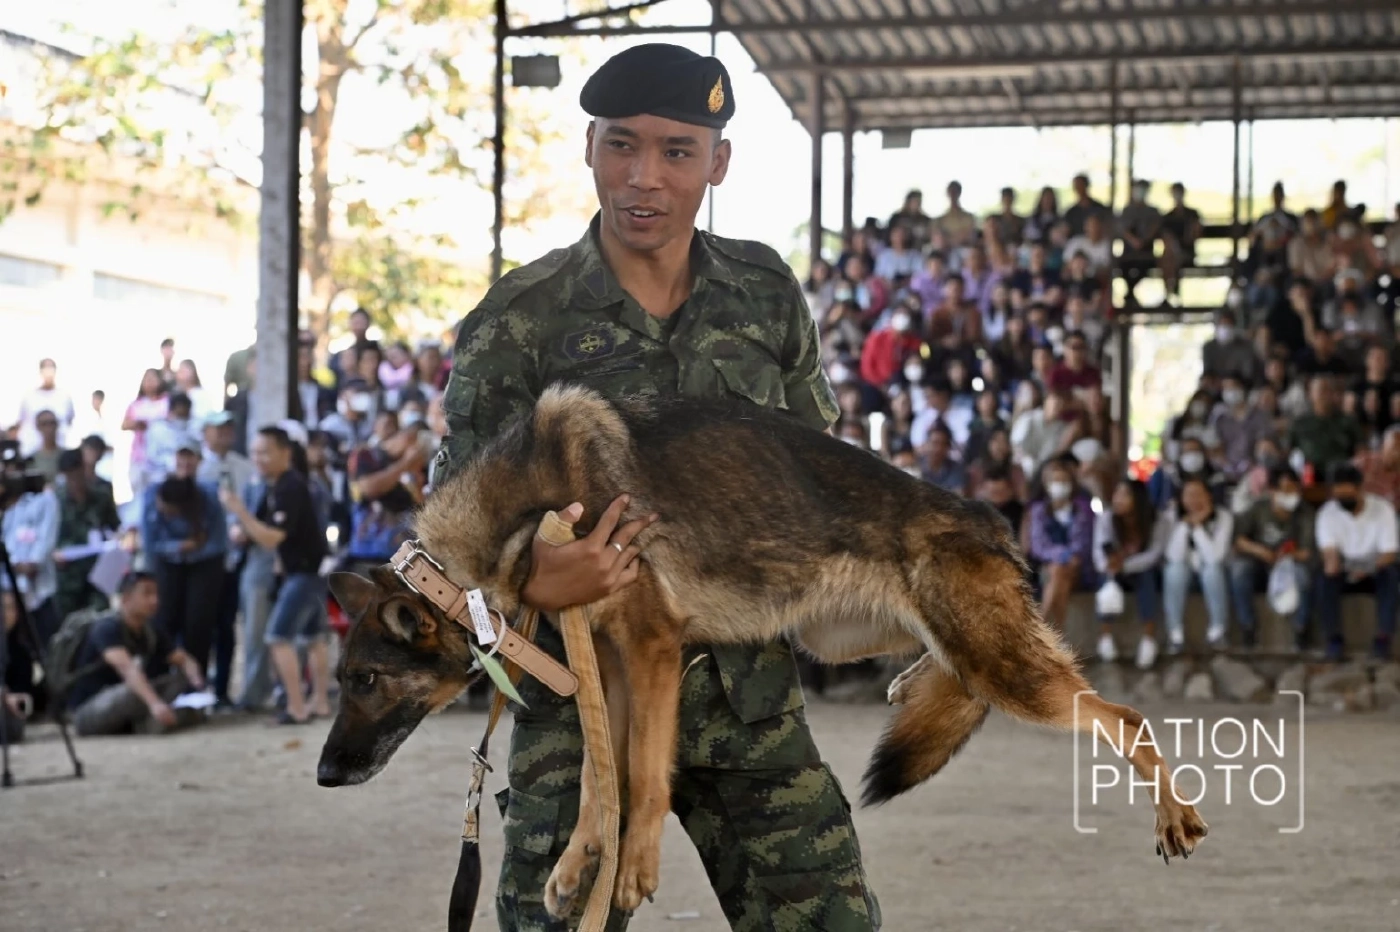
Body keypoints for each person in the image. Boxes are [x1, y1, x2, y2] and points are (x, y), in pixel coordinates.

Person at [431, 43, 880, 931]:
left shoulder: (765, 294)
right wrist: (527, 578)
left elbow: (816, 476)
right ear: (589, 147)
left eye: (677, 151)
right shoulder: (521, 319)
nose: (645, 177)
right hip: (580, 721)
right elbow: (439, 552)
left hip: (749, 705)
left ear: (718, 162)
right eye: (622, 145)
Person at [220, 426, 332, 725]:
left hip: (305, 574)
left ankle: (296, 707)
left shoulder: (288, 486)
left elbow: (271, 538)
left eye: (265, 452)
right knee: (313, 637)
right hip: (310, 570)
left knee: (277, 637)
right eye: (255, 452)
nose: (258, 458)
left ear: (285, 453)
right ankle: (318, 702)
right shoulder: (287, 484)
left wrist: (239, 511)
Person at [65, 571, 207, 736]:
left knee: (177, 680)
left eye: (155, 594)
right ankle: (153, 721)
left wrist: (197, 681)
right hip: (89, 710)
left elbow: (183, 659)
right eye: (146, 594)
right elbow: (128, 669)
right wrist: (155, 703)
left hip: (128, 701)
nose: (155, 600)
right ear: (126, 598)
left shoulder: (151, 631)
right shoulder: (106, 628)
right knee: (134, 689)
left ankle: (152, 721)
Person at [1314, 463, 1398, 661]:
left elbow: (1389, 553)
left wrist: (1368, 569)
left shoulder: (1383, 509)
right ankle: (1333, 639)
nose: (1343, 501)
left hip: (1376, 567)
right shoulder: (1327, 514)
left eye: (1348, 496)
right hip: (1345, 568)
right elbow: (1330, 552)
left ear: (1360, 489)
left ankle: (1383, 639)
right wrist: (1333, 565)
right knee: (1323, 580)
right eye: (1339, 497)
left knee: (1391, 575)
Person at [1228, 466, 1314, 651]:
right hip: (1260, 562)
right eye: (1285, 490)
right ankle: (1247, 626)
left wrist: (1288, 555)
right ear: (1272, 491)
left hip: (1290, 565)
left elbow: (1307, 551)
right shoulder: (1259, 508)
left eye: (1294, 489)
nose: (1291, 495)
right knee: (1239, 571)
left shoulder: (1305, 513)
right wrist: (1259, 551)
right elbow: (1239, 539)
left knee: (1304, 576)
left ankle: (1302, 628)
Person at [1093, 478, 1172, 669]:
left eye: (1125, 495)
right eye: (1117, 494)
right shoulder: (1106, 519)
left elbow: (1154, 553)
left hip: (1141, 568)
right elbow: (1097, 551)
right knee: (1105, 581)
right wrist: (1109, 566)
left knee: (1147, 578)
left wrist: (1126, 566)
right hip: (1113, 569)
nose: (1118, 499)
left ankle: (1148, 639)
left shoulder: (1158, 520)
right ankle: (1105, 636)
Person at [1162, 476, 1234, 654]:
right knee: (1174, 571)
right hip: (1184, 574)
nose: (1194, 499)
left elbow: (1214, 557)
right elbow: (1173, 555)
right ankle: (1175, 634)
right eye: (1189, 495)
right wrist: (1186, 526)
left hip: (1212, 574)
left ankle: (1218, 631)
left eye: (1198, 494)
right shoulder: (1171, 516)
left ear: (1209, 496)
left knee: (1212, 571)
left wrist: (1198, 527)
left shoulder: (1224, 517)